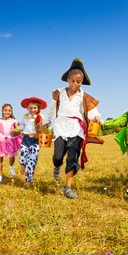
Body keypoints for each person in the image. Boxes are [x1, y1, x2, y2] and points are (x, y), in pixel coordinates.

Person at [45, 58, 103, 199]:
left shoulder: (84, 96)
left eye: (78, 82)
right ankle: (57, 166)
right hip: (60, 127)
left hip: (76, 130)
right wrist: (46, 121)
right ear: (68, 80)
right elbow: (52, 109)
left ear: (81, 82)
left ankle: (68, 187)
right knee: (58, 156)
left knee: (72, 157)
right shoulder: (59, 94)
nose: (75, 84)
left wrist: (97, 117)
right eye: (73, 81)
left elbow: (91, 110)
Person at [19, 97, 47, 187]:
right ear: (27, 108)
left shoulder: (41, 116)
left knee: (31, 159)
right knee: (22, 153)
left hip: (35, 139)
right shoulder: (25, 116)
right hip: (26, 138)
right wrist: (17, 130)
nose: (32, 110)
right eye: (30, 108)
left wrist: (43, 127)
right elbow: (22, 125)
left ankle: (28, 180)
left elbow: (46, 125)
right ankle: (23, 164)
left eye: (35, 108)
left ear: (38, 108)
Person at [0, 103, 23, 183]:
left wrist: (16, 132)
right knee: (0, 158)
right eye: (6, 110)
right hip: (1, 140)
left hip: (10, 140)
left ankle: (11, 166)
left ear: (11, 112)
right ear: (2, 111)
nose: (7, 112)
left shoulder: (14, 121)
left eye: (9, 111)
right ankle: (0, 176)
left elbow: (17, 130)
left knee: (12, 156)